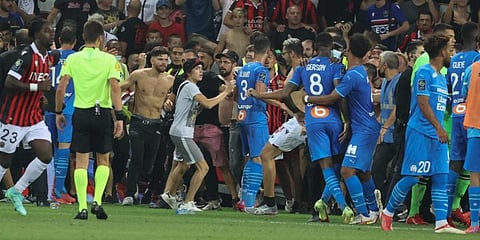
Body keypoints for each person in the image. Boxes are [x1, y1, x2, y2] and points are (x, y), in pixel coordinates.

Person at [380, 33, 464, 234]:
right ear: (442, 51)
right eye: (450, 50)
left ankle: (441, 222)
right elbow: (422, 102)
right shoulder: (423, 73)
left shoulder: (442, 77)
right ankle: (388, 212)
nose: (451, 53)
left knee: (441, 176)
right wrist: (438, 127)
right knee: (413, 177)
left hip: (437, 135)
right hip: (420, 132)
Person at [305, 33, 381, 224]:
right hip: (367, 127)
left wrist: (307, 99)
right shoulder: (360, 71)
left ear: (349, 50)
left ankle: (363, 214)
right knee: (363, 172)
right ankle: (372, 210)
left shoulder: (352, 75)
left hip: (364, 130)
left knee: (347, 171)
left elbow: (333, 98)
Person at [55, 20, 124, 220]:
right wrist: (119, 116)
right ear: (101, 38)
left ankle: (82, 207)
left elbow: (61, 87)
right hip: (101, 112)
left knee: (81, 161)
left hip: (81, 112)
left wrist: (59, 111)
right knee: (103, 159)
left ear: (84, 38)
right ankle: (98, 202)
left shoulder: (73, 59)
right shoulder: (109, 60)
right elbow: (115, 87)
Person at [159, 58, 235, 214]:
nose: (201, 71)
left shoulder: (185, 87)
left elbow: (196, 108)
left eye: (201, 68)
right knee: (203, 167)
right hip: (183, 133)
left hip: (179, 130)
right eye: (197, 69)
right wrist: (226, 91)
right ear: (188, 72)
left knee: (183, 165)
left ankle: (169, 194)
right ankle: (188, 202)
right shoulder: (190, 87)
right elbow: (208, 104)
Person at [0, 18, 59, 216]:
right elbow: (9, 81)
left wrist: (41, 97)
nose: (51, 34)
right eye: (46, 31)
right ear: (36, 35)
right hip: (13, 116)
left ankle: (15, 191)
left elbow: (42, 83)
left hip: (33, 116)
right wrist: (37, 88)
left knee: (46, 156)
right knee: (4, 161)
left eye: (52, 30)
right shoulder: (25, 56)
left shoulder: (49, 58)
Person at [120, 46, 174, 205]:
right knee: (136, 158)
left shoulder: (170, 80)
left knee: (148, 165)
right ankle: (129, 194)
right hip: (138, 121)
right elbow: (121, 87)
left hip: (156, 123)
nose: (163, 62)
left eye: (165, 59)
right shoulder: (138, 75)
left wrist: (169, 102)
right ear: (152, 60)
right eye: (160, 59)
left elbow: (172, 97)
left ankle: (136, 183)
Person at [445, 21, 479, 225]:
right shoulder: (477, 59)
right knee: (475, 168)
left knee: (456, 164)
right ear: (477, 40)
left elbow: (451, 90)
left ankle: (447, 212)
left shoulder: (454, 59)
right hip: (474, 116)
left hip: (457, 114)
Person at [235, 35, 270, 211]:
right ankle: (249, 204)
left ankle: (244, 199)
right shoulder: (262, 70)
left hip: (242, 115)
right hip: (256, 117)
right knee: (260, 157)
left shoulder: (243, 69)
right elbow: (260, 93)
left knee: (250, 158)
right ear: (268, 52)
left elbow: (235, 94)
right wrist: (278, 102)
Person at [43, 26, 77, 204]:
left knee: (47, 148)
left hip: (47, 106)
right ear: (75, 41)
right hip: (67, 108)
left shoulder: (49, 55)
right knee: (63, 148)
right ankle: (58, 190)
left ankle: (52, 189)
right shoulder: (76, 58)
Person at [370, 51, 401, 205]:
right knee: (376, 167)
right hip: (385, 134)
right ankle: (381, 202)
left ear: (385, 65)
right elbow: (382, 104)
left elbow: (399, 107)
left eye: (380, 62)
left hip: (397, 133)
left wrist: (386, 125)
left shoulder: (400, 81)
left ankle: (393, 205)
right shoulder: (385, 83)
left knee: (397, 171)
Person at [462, 43, 480, 234]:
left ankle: (475, 222)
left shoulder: (471, 69)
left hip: (475, 126)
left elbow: (465, 93)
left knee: (475, 175)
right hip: (475, 126)